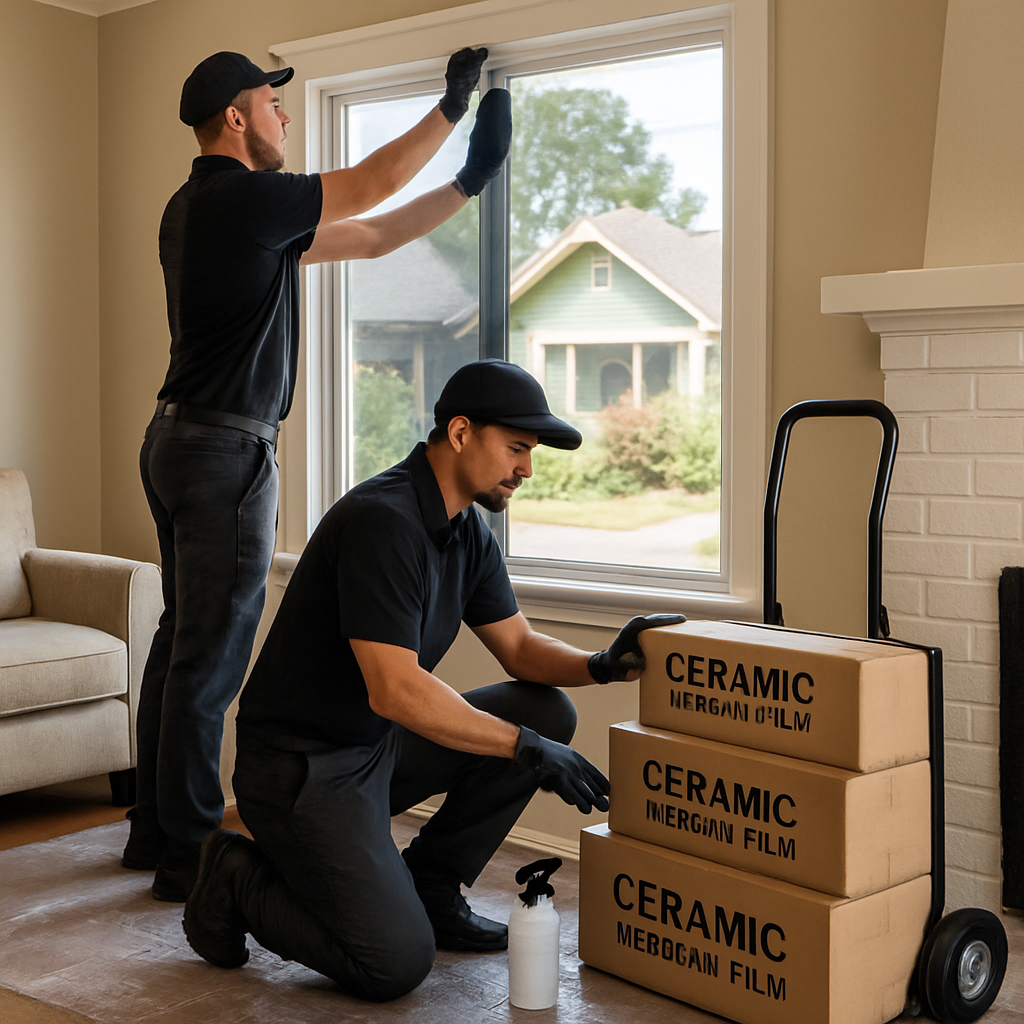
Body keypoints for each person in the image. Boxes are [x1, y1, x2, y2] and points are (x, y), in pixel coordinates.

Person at [125, 47, 512, 903]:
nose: (285, 120)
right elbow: (370, 185)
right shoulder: (244, 198)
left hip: (176, 441)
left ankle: (154, 827)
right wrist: (451, 110)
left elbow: (370, 237)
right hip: (226, 451)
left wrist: (471, 183)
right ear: (237, 116)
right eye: (273, 104)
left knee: (179, 644)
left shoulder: (198, 210)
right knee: (210, 657)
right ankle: (189, 855)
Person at [181, 358, 685, 1001]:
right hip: (301, 773)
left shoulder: (467, 530)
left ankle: (432, 885)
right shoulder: (383, 521)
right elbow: (394, 689)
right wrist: (523, 748)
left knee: (546, 711)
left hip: (375, 749)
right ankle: (236, 878)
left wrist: (602, 665)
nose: (527, 469)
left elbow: (521, 649)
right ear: (460, 433)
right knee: (392, 963)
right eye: (517, 449)